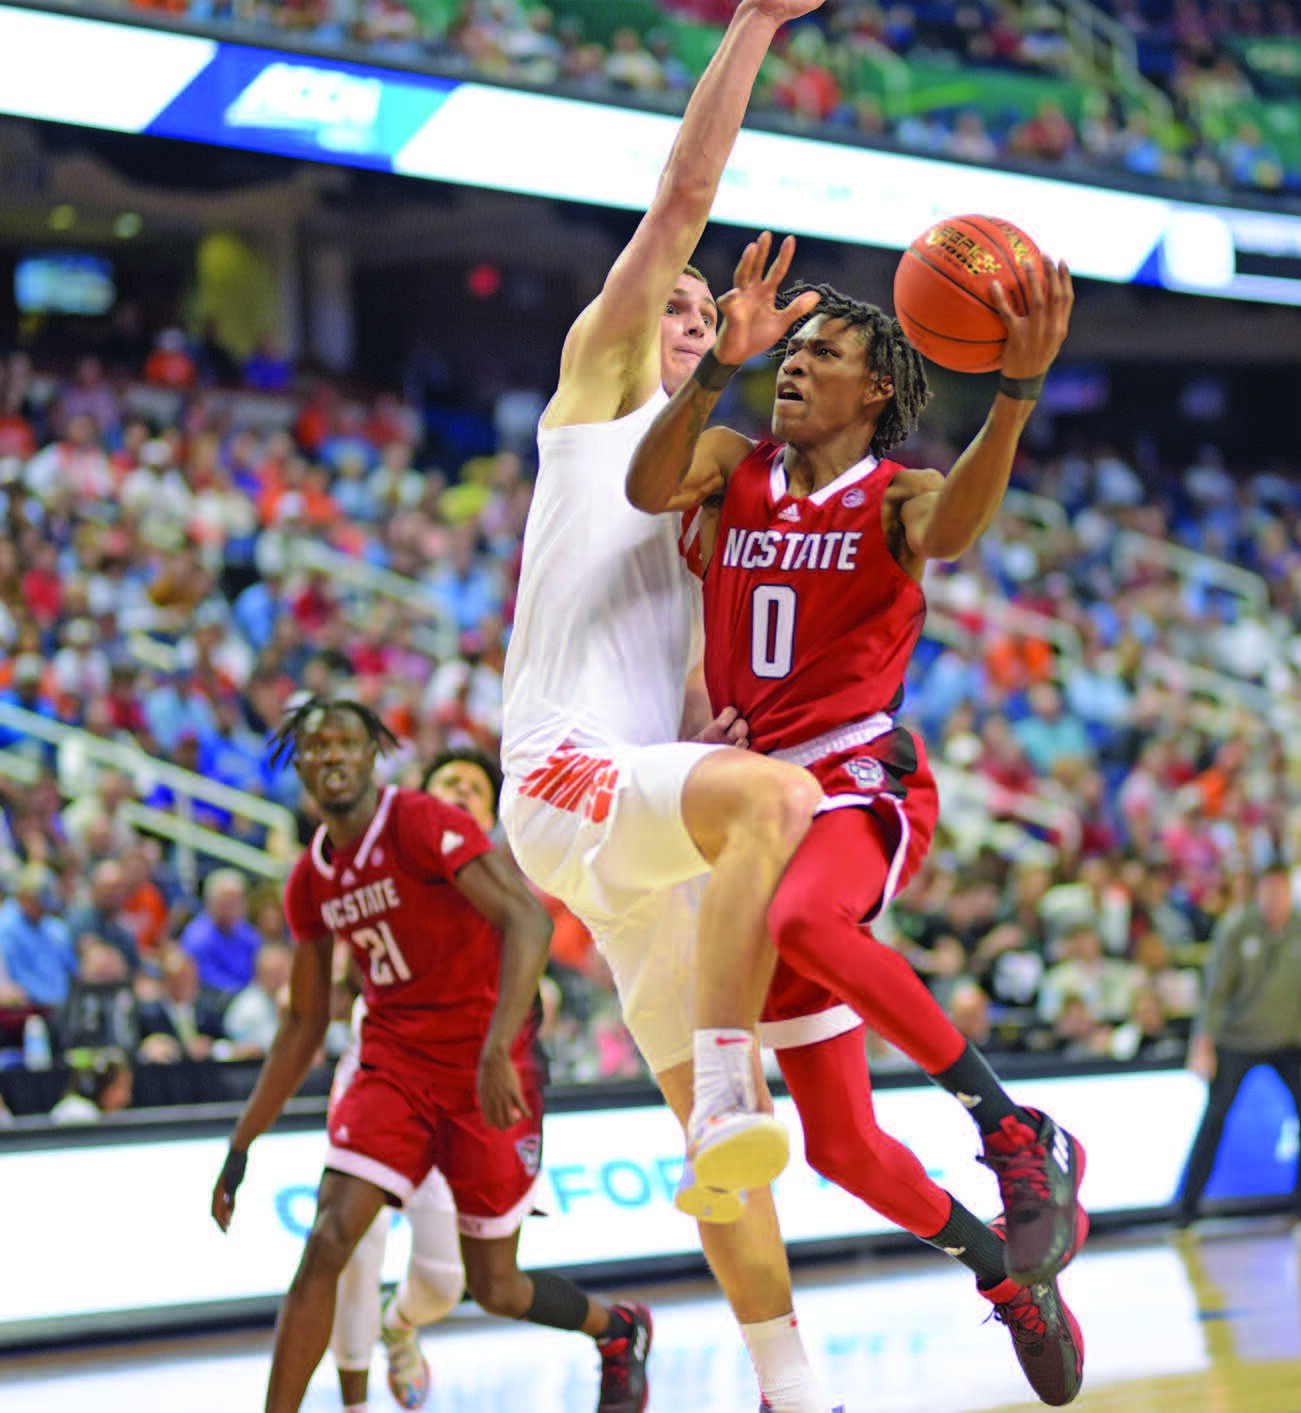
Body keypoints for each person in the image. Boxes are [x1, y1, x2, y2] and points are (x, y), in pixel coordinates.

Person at [627, 231, 1085, 1405]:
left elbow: (958, 530)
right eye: (791, 350)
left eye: (818, 353)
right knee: (832, 1147)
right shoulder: (728, 455)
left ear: (876, 388)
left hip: (850, 785)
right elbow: (640, 485)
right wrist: (718, 364)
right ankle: (1005, 1277)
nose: (794, 366)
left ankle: (1010, 1129)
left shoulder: (898, 497)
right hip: (750, 812)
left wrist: (1016, 399)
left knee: (805, 923)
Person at [499, 5, 843, 1410]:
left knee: (723, 1164)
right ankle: (722, 1078)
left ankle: (790, 1385)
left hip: (633, 824)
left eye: (709, 315)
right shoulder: (596, 389)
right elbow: (687, 198)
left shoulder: (699, 509)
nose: (693, 320)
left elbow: (704, 698)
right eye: (680, 306)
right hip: (560, 777)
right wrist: (756, 23)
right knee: (774, 808)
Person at [211, 698, 650, 1413]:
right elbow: (301, 1024)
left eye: (345, 743)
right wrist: (241, 1142)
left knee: (495, 1287)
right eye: (315, 747)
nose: (331, 756)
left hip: (484, 1066)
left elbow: (529, 918)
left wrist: (499, 1047)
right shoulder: (310, 881)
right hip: (394, 1066)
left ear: (371, 752)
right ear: (300, 768)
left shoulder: (418, 822)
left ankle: (616, 1327)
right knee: (329, 1238)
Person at [327, 749, 506, 1413]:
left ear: (490, 816)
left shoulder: (505, 886)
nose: (459, 792)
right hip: (382, 1071)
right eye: (446, 784)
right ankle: (353, 1401)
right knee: (354, 1239)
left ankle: (399, 1324)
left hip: (457, 1092)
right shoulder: (380, 868)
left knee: (443, 1278)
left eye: (474, 788)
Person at [1175, 857, 1301, 1230]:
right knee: (1215, 1117)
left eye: (1282, 890)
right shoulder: (1236, 929)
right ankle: (1187, 1208)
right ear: (1258, 892)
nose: (1276, 898)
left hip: (1287, 1040)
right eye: (1270, 890)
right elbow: (1214, 993)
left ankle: (1297, 1201)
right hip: (1237, 1039)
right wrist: (1203, 1043)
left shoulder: (1297, 927)